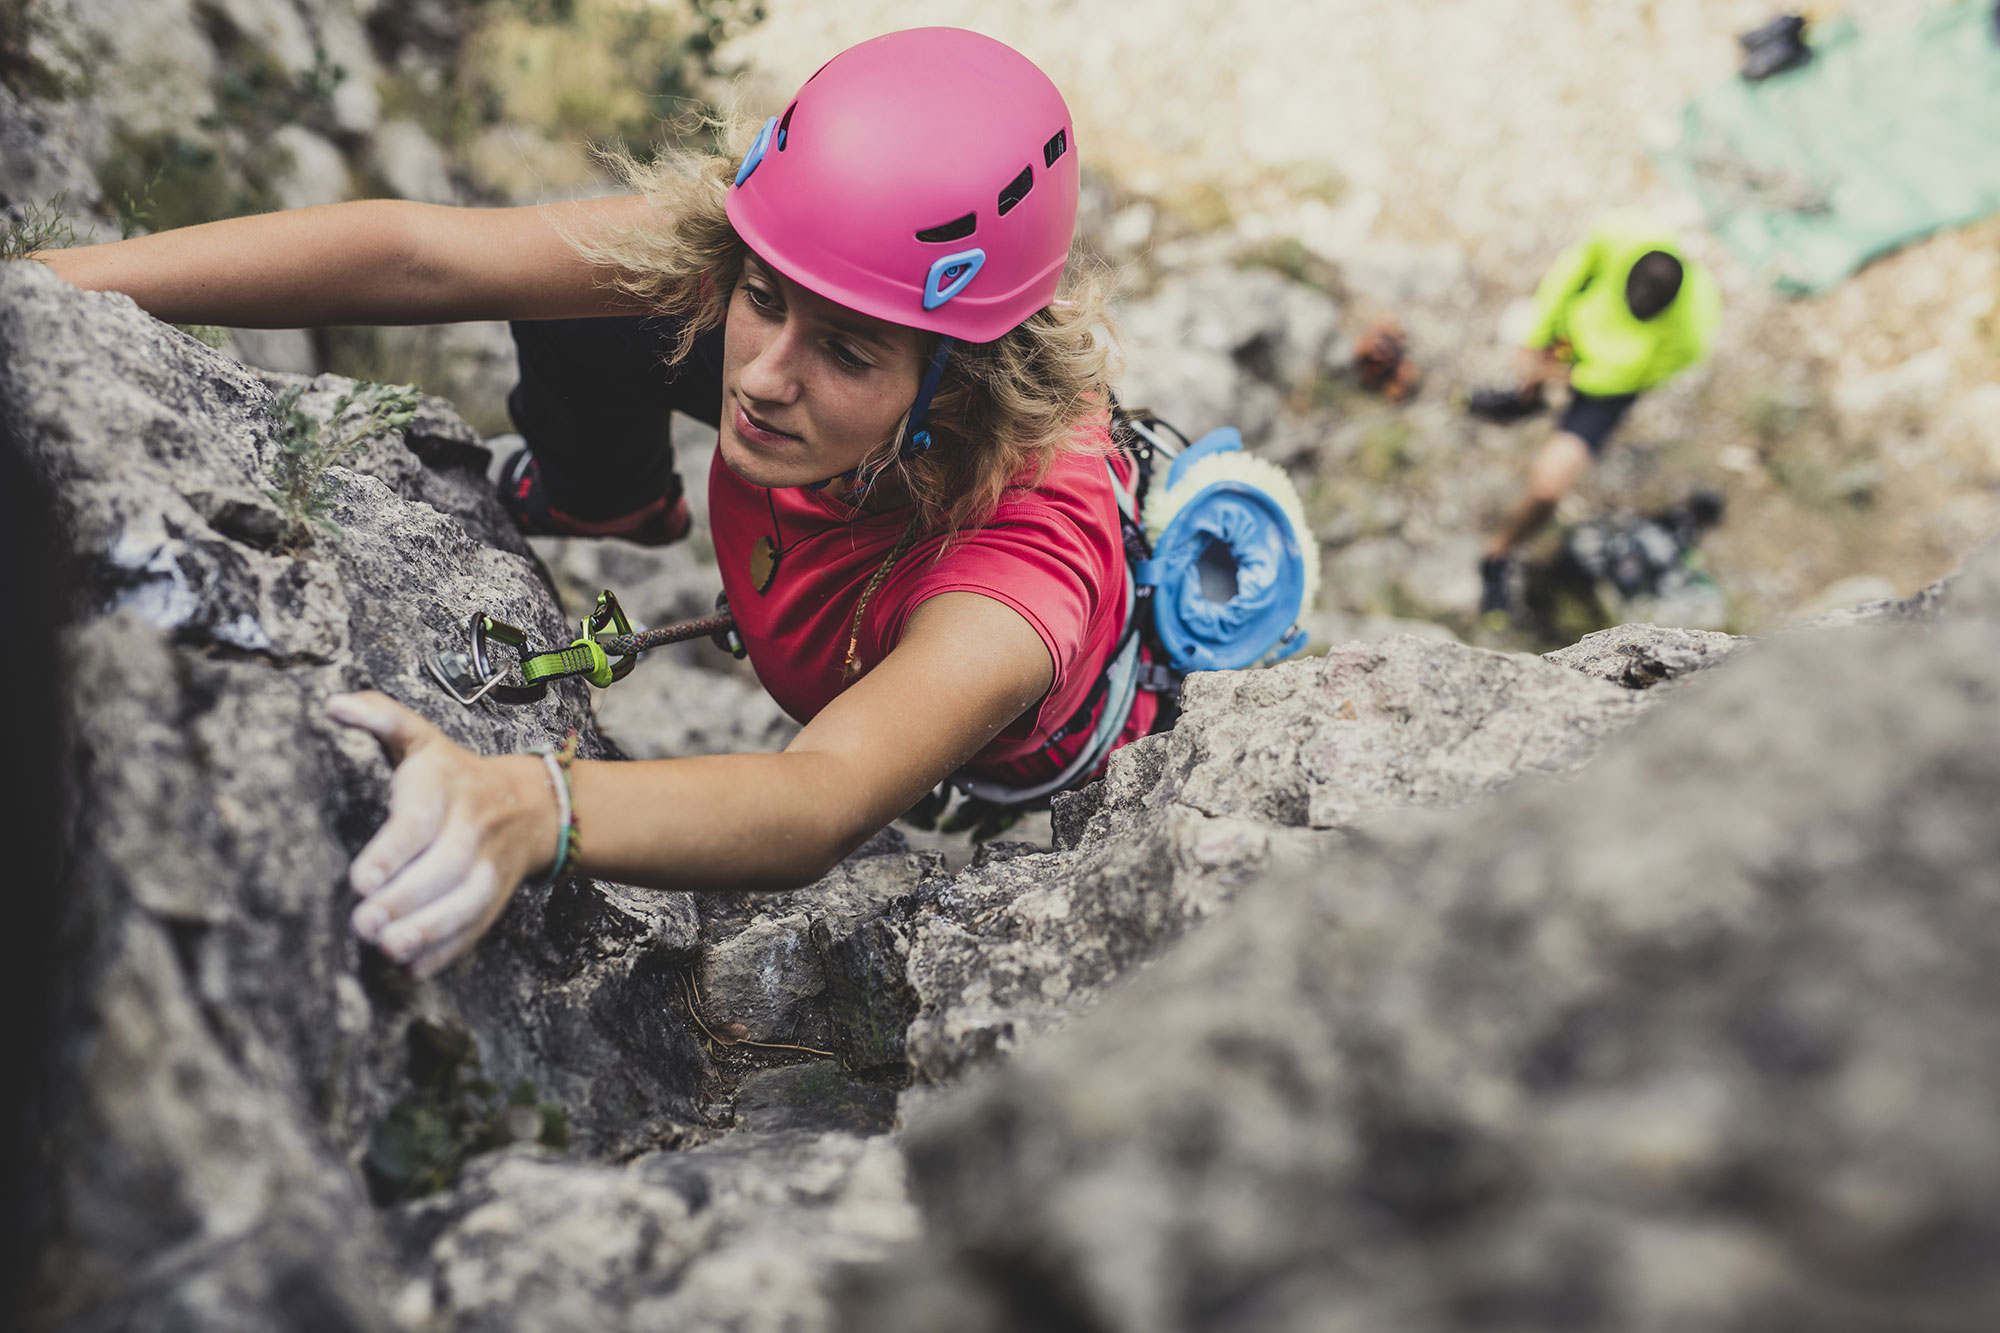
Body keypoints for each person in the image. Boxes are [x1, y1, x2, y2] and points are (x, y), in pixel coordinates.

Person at [40, 28, 1159, 979]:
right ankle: (607, 502)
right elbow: (422, 256)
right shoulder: (769, 278)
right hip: (840, 539)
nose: (762, 375)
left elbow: (819, 793)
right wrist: (45, 289)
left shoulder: (1017, 571)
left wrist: (538, 805)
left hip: (1033, 771)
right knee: (602, 302)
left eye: (848, 351)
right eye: (762, 300)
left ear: (954, 383)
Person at [1471, 210, 1720, 616]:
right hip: (1571, 337)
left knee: (1549, 487)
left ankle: (1496, 557)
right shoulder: (1621, 235)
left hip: (1608, 384)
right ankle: (1525, 398)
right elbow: (1565, 277)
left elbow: (1628, 377)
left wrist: (1568, 377)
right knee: (1529, 360)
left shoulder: (1692, 332)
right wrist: (1535, 344)